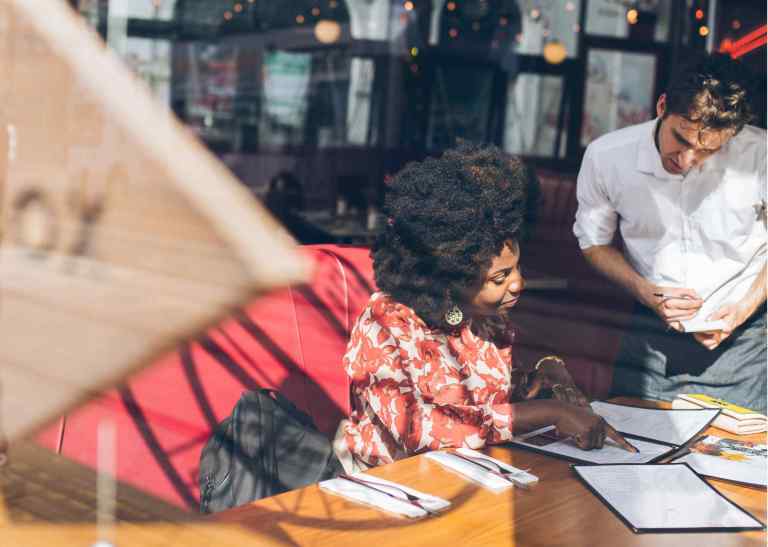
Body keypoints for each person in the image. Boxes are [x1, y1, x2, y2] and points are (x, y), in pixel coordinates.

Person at [334, 144, 636, 470]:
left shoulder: (486, 319)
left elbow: (486, 399)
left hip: (468, 474)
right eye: (500, 277)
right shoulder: (385, 324)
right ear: (451, 276)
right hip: (390, 482)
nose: (518, 283)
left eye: (518, 268)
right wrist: (546, 413)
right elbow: (417, 429)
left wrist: (541, 378)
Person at [573, 53, 766, 413]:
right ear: (662, 106)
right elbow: (594, 243)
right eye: (681, 139)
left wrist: (743, 308)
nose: (687, 159)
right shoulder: (606, 156)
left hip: (744, 344)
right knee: (631, 442)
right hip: (649, 339)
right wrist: (645, 292)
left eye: (708, 150)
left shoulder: (761, 155)